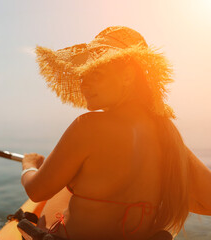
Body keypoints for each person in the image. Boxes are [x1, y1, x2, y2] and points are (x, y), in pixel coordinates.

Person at [20, 26, 211, 240]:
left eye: (96, 73)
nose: (83, 83)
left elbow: (37, 192)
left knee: (52, 203)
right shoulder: (167, 134)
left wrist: (28, 166)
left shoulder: (88, 126)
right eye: (83, 74)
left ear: (128, 76)